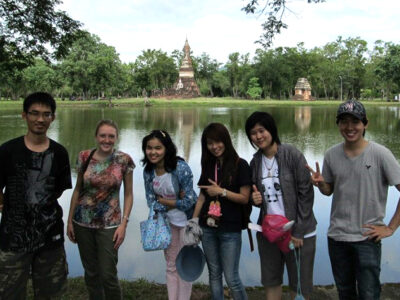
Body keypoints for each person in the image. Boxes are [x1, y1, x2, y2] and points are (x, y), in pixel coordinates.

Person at [307, 100, 400, 300]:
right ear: (338, 124)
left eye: (355, 122)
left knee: (369, 294)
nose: (350, 127)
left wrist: (391, 228)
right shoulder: (331, 154)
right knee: (345, 292)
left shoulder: (380, 154)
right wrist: (321, 184)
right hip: (337, 237)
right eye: (344, 122)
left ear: (365, 124)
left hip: (367, 237)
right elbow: (329, 191)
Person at [0, 92, 72, 299]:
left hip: (50, 237)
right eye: (34, 113)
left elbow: (57, 190)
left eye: (46, 114)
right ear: (24, 115)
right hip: (13, 238)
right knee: (9, 293)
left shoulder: (59, 153)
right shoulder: (7, 151)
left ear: (53, 118)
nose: (40, 119)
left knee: (52, 293)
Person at [245, 111, 317, 300]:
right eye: (253, 133)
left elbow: (306, 194)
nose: (258, 136)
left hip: (298, 232)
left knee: (300, 287)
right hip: (269, 232)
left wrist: (299, 231)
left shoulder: (292, 155)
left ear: (271, 130)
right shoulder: (255, 162)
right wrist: (254, 199)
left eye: (262, 130)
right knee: (271, 282)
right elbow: (255, 197)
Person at [67, 119, 134, 300]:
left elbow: (128, 194)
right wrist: (69, 221)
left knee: (108, 274)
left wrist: (124, 224)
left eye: (111, 136)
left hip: (110, 224)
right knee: (91, 273)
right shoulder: (84, 156)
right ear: (96, 137)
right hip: (82, 222)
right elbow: (78, 190)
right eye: (103, 136)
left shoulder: (123, 160)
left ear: (116, 138)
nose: (106, 140)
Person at [192, 122, 251, 300]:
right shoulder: (208, 165)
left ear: (225, 140)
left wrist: (222, 192)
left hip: (230, 230)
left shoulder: (241, 165)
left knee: (232, 277)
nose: (214, 147)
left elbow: (244, 198)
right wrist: (193, 221)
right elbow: (202, 197)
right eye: (210, 143)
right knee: (214, 273)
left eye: (218, 142)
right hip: (208, 228)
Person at [142, 130, 197, 300]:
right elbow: (151, 202)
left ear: (166, 148)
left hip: (186, 224)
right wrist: (172, 202)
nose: (153, 152)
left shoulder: (180, 168)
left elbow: (189, 201)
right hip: (166, 225)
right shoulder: (149, 171)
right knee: (171, 265)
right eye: (149, 148)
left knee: (185, 265)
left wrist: (166, 202)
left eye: (158, 148)